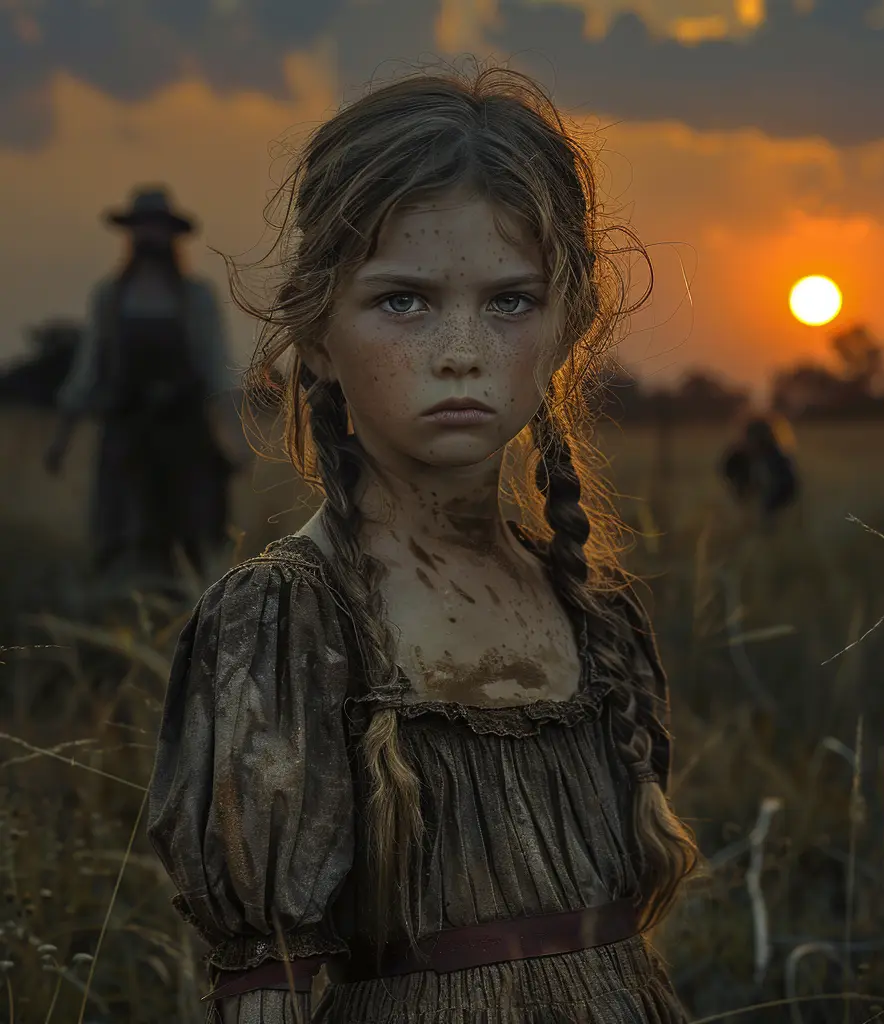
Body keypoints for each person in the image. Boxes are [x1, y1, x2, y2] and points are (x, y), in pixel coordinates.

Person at [146, 68, 701, 1024]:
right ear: (317, 331)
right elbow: (265, 985)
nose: (461, 349)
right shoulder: (286, 621)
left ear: (569, 325)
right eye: (404, 301)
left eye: (510, 301)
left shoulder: (595, 615)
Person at [44, 186, 237, 583]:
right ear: (130, 234)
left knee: (190, 533)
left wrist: (232, 440)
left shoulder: (195, 298)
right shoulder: (110, 297)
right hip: (126, 436)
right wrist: (61, 440)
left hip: (184, 437)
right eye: (142, 228)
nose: (150, 236)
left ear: (172, 234)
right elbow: (87, 371)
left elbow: (217, 370)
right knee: (124, 533)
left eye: (158, 228)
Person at [720, 415, 799, 528]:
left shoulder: (777, 460)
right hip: (750, 501)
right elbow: (729, 474)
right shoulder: (736, 458)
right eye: (749, 438)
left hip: (774, 506)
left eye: (757, 439)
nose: (751, 443)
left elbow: (787, 488)